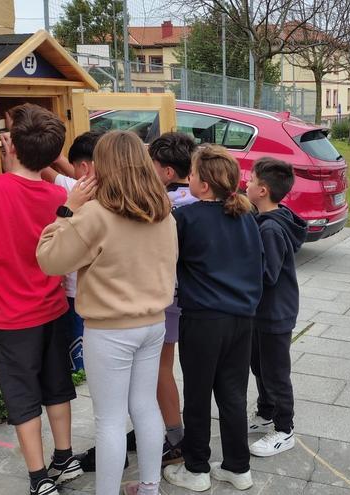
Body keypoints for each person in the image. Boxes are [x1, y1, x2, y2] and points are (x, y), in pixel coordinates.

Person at [36, 130, 178, 495]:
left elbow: (50, 260)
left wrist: (68, 207)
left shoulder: (97, 214)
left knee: (110, 420)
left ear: (103, 166)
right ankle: (149, 488)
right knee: (145, 408)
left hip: (110, 329)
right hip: (152, 324)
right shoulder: (163, 211)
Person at [0, 103, 80, 495]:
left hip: (10, 317)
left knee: (23, 398)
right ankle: (65, 458)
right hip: (53, 308)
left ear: (11, 148)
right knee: (56, 386)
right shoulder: (58, 194)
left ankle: (39, 479)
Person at [163, 145, 264, 492]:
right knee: (233, 394)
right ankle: (238, 467)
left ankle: (197, 468)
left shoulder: (185, 219)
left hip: (204, 320)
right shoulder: (247, 216)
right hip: (242, 320)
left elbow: (166, 261)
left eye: (190, 173)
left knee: (198, 395)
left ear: (203, 184)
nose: (186, 178)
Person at [244, 157, 307, 457]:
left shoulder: (270, 229)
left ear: (263, 190)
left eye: (252, 180)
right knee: (260, 365)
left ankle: (284, 429)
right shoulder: (267, 219)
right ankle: (265, 412)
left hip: (274, 313)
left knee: (275, 372)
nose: (247, 182)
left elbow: (267, 275)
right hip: (262, 312)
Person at [149, 132, 198, 467]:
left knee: (160, 369)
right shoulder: (200, 198)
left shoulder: (160, 204)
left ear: (167, 171)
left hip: (166, 297)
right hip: (196, 296)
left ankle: (174, 434)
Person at [43, 131, 104, 373]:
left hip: (75, 290)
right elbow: (72, 172)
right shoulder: (115, 192)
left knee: (79, 352)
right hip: (106, 295)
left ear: (84, 167)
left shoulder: (74, 191)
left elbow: (46, 170)